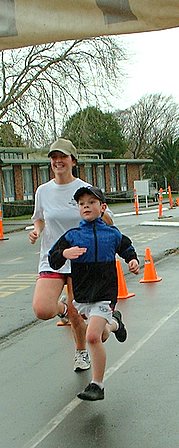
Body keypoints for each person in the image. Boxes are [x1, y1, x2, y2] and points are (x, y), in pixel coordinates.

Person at [29, 138, 113, 373]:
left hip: (82, 260)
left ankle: (81, 352)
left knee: (88, 322)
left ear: (72, 160)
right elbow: (39, 217)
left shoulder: (85, 189)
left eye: (63, 157)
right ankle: (66, 309)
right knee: (43, 309)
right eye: (54, 157)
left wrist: (98, 212)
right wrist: (37, 230)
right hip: (53, 257)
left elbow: (108, 218)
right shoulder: (43, 191)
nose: (58, 161)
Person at [48, 186, 140, 401]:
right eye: (82, 203)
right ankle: (116, 323)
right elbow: (53, 258)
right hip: (81, 298)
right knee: (102, 334)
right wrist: (64, 253)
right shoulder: (73, 236)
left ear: (103, 207)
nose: (86, 206)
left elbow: (127, 248)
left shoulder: (112, 234)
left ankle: (97, 385)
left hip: (105, 294)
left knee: (91, 336)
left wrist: (133, 260)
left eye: (91, 202)